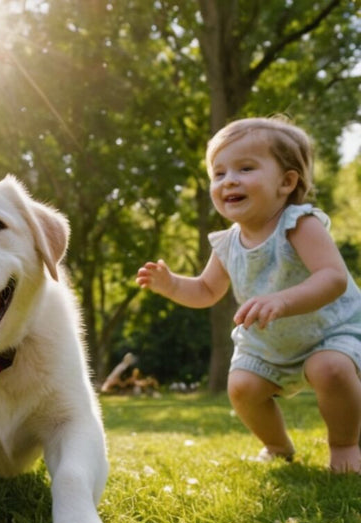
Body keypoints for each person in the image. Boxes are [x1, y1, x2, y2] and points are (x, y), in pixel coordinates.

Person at [136, 116, 361, 473]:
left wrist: (282, 300)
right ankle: (277, 445)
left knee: (331, 370)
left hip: (328, 331)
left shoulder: (300, 224)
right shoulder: (227, 243)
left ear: (286, 182)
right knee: (242, 388)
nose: (229, 181)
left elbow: (332, 277)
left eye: (245, 168)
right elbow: (207, 290)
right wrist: (172, 284)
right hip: (269, 344)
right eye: (219, 173)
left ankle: (346, 444)